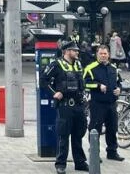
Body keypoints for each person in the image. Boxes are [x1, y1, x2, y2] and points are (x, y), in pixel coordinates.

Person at [41, 39, 89, 173]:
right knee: (63, 135)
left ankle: (80, 162)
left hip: (79, 105)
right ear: (67, 51)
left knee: (78, 134)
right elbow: (43, 80)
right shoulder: (56, 64)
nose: (77, 52)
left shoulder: (79, 64)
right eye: (74, 50)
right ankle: (60, 164)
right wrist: (54, 93)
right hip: (65, 105)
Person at [84, 45, 125, 162]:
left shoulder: (113, 68)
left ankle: (112, 152)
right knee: (95, 128)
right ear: (97, 54)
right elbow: (85, 83)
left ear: (108, 55)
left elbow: (119, 82)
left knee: (112, 128)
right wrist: (98, 86)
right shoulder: (90, 68)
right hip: (97, 103)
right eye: (101, 54)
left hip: (112, 103)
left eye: (105, 54)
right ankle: (94, 153)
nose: (103, 56)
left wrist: (119, 89)